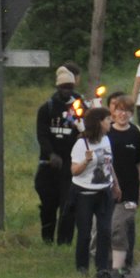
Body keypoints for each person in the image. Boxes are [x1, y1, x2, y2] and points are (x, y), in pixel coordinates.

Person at [69, 107, 120, 278]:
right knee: (84, 232)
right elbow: (74, 171)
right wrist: (86, 161)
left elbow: (108, 163)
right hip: (84, 193)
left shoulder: (106, 140)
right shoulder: (81, 144)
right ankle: (82, 267)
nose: (110, 123)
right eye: (107, 119)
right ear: (99, 122)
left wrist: (115, 184)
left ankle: (102, 268)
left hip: (104, 191)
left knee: (105, 230)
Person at [34, 66, 82, 245]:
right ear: (57, 87)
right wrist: (51, 154)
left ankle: (65, 241)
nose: (67, 91)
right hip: (49, 163)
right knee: (48, 204)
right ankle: (47, 239)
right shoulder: (47, 108)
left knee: (68, 205)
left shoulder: (79, 107)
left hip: (71, 164)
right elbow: (42, 135)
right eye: (63, 87)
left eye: (70, 87)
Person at [105, 93, 140, 278]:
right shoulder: (106, 133)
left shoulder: (135, 134)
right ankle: (108, 262)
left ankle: (119, 266)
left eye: (127, 111)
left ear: (131, 114)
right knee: (106, 226)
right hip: (106, 187)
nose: (123, 114)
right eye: (119, 110)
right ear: (113, 113)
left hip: (129, 188)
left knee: (120, 225)